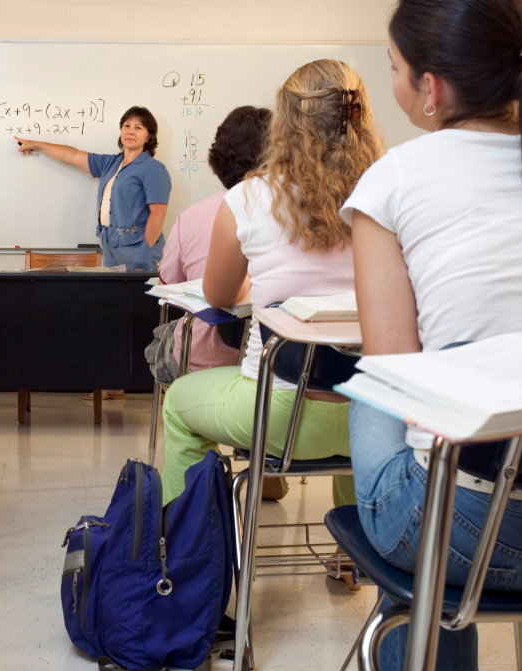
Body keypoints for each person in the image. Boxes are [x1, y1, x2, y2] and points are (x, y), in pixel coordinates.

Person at [341, 0, 522, 671]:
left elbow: (401, 374)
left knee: (376, 385)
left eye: (396, 71)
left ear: (430, 90)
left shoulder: (393, 180)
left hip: (471, 535)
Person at [160, 59, 384, 506]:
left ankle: (191, 555)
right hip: (377, 415)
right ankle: (351, 559)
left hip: (278, 414)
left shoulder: (248, 196)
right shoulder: (389, 191)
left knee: (178, 402)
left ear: (284, 122)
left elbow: (218, 296)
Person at [157, 106, 272, 377]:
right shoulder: (298, 215)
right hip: (277, 365)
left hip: (203, 362)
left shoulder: (192, 218)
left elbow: (170, 285)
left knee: (161, 339)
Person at [15, 107, 172, 271]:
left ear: (149, 136)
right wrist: (38, 145)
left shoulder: (153, 168)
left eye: (138, 128)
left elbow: (158, 213)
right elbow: (73, 155)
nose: (130, 131)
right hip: (110, 246)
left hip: (137, 248)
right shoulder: (109, 164)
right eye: (127, 126)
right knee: (115, 296)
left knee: (137, 295)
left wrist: (145, 249)